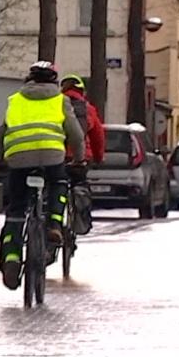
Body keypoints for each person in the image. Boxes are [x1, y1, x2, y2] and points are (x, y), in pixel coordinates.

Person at [0, 61, 85, 290]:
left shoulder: (15, 100)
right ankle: (55, 223)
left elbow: (1, 133)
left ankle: (12, 257)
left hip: (18, 158)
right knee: (59, 182)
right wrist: (79, 159)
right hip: (51, 157)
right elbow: (75, 135)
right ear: (55, 81)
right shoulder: (60, 100)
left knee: (16, 209)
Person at [60, 74, 105, 236]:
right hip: (80, 159)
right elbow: (98, 136)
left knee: (54, 186)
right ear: (82, 91)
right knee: (79, 184)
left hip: (57, 156)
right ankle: (79, 218)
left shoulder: (54, 105)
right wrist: (98, 157)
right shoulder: (88, 109)